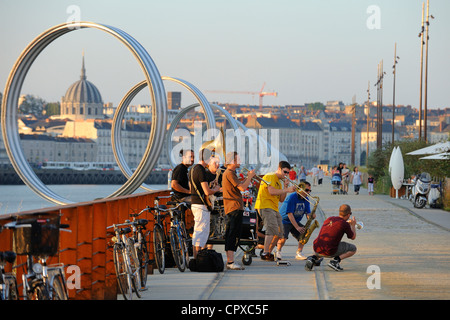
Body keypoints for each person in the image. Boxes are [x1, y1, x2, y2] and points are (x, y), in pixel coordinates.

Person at [254, 161, 296, 261]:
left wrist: (285, 187)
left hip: (274, 208)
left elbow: (281, 199)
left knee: (280, 233)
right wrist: (287, 190)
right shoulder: (271, 176)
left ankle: (267, 252)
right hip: (265, 206)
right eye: (285, 172)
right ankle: (265, 252)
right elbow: (271, 191)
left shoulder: (278, 181)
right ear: (279, 169)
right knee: (271, 230)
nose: (286, 175)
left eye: (287, 173)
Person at [222, 152, 255, 270]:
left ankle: (231, 261)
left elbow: (240, 185)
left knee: (235, 234)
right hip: (233, 207)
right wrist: (250, 177)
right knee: (231, 234)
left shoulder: (231, 173)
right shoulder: (229, 173)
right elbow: (242, 187)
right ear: (232, 161)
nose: (240, 161)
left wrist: (247, 177)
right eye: (238, 159)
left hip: (235, 207)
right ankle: (230, 261)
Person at [305, 204, 357, 272]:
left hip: (316, 249)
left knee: (326, 242)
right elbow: (353, 237)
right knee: (353, 248)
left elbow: (338, 225)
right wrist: (353, 225)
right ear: (348, 214)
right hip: (330, 251)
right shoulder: (345, 224)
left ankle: (313, 258)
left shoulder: (329, 218)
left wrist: (347, 224)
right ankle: (335, 261)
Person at [189, 148, 221, 258]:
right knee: (201, 231)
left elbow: (195, 187)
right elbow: (207, 191)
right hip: (201, 205)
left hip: (195, 203)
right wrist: (216, 189)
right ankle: (197, 257)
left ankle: (198, 256)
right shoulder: (201, 170)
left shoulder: (193, 169)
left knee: (198, 230)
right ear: (207, 159)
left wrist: (211, 183)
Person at [277, 181, 313, 260]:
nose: (308, 192)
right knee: (283, 238)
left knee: (304, 234)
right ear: (300, 189)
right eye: (307, 190)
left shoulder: (306, 199)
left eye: (310, 191)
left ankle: (299, 253)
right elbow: (290, 214)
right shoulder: (292, 197)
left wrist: (310, 217)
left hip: (295, 220)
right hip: (284, 220)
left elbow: (308, 213)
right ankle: (278, 251)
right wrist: (297, 227)